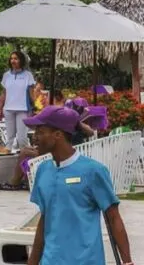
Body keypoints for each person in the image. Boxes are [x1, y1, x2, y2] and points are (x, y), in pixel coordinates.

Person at [25, 106, 133, 265]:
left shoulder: (93, 171)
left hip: (86, 260)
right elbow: (45, 218)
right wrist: (33, 261)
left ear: (58, 135)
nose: (34, 138)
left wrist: (127, 262)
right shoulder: (42, 170)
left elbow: (114, 217)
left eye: (40, 132)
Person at [0, 50, 35, 150]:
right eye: (11, 58)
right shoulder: (6, 75)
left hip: (23, 110)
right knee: (10, 138)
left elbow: (31, 93)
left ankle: (25, 159)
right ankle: (8, 160)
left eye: (16, 59)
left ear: (21, 61)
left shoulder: (28, 75)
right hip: (8, 109)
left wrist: (35, 108)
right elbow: (4, 93)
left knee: (22, 138)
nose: (13, 61)